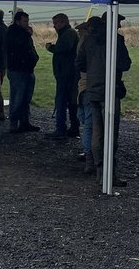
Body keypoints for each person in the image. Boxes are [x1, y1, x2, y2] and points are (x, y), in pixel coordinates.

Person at [75, 13, 131, 184]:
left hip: (92, 89)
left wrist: (93, 72)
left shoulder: (88, 40)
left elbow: (79, 63)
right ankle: (109, 174)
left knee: (97, 133)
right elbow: (125, 64)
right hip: (110, 90)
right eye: (119, 22)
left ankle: (99, 171)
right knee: (111, 134)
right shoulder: (116, 40)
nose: (120, 26)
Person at [45, 13, 80, 140]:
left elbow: (63, 48)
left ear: (62, 23)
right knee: (71, 102)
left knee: (61, 101)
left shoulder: (68, 34)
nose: (54, 27)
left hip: (66, 74)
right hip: (68, 73)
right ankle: (73, 127)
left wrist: (51, 47)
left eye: (55, 24)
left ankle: (61, 129)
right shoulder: (68, 33)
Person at [5, 11, 39, 133]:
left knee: (26, 97)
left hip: (27, 68)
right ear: (18, 21)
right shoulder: (13, 33)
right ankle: (14, 123)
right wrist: (27, 34)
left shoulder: (22, 33)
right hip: (18, 69)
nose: (27, 24)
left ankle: (24, 121)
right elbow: (19, 47)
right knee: (18, 97)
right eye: (25, 21)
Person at [73, 19, 94, 163]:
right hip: (87, 85)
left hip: (84, 86)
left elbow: (79, 64)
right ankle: (89, 152)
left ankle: (88, 151)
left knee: (85, 121)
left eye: (81, 31)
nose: (80, 33)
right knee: (88, 122)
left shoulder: (84, 44)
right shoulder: (89, 43)